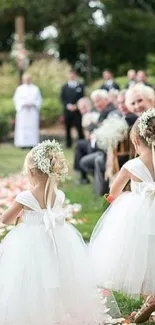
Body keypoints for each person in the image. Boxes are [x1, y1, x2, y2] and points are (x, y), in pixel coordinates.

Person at [0, 139, 115, 325]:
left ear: (31, 172)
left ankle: (34, 313)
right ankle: (59, 311)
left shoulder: (25, 197)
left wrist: (22, 214)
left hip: (29, 243)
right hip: (57, 239)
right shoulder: (58, 195)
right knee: (59, 274)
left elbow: (5, 219)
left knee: (31, 277)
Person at [90, 108, 155, 323]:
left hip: (138, 217)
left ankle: (150, 297)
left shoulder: (131, 165)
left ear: (136, 140)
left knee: (143, 258)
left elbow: (113, 193)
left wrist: (116, 199)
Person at [74, 89, 116, 185]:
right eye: (95, 102)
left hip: (104, 144)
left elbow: (104, 127)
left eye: (98, 101)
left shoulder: (110, 110)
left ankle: (99, 180)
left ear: (106, 99)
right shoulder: (104, 110)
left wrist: (93, 127)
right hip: (97, 140)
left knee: (85, 146)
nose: (96, 104)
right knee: (80, 144)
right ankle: (82, 175)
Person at [13, 73, 42, 149]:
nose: (27, 80)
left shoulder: (35, 89)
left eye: (28, 79)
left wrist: (33, 104)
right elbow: (16, 100)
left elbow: (39, 100)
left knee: (32, 128)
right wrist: (23, 104)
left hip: (32, 111)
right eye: (25, 79)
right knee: (22, 128)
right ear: (23, 80)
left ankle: (32, 143)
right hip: (23, 112)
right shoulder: (19, 89)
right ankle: (22, 144)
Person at [60, 69, 84, 148]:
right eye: (70, 74)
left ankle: (81, 143)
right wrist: (68, 105)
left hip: (77, 110)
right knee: (68, 128)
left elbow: (82, 97)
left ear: (75, 75)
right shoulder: (64, 87)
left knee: (79, 127)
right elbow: (62, 98)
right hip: (68, 111)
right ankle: (68, 144)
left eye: (73, 74)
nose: (71, 76)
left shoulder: (80, 86)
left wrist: (77, 106)